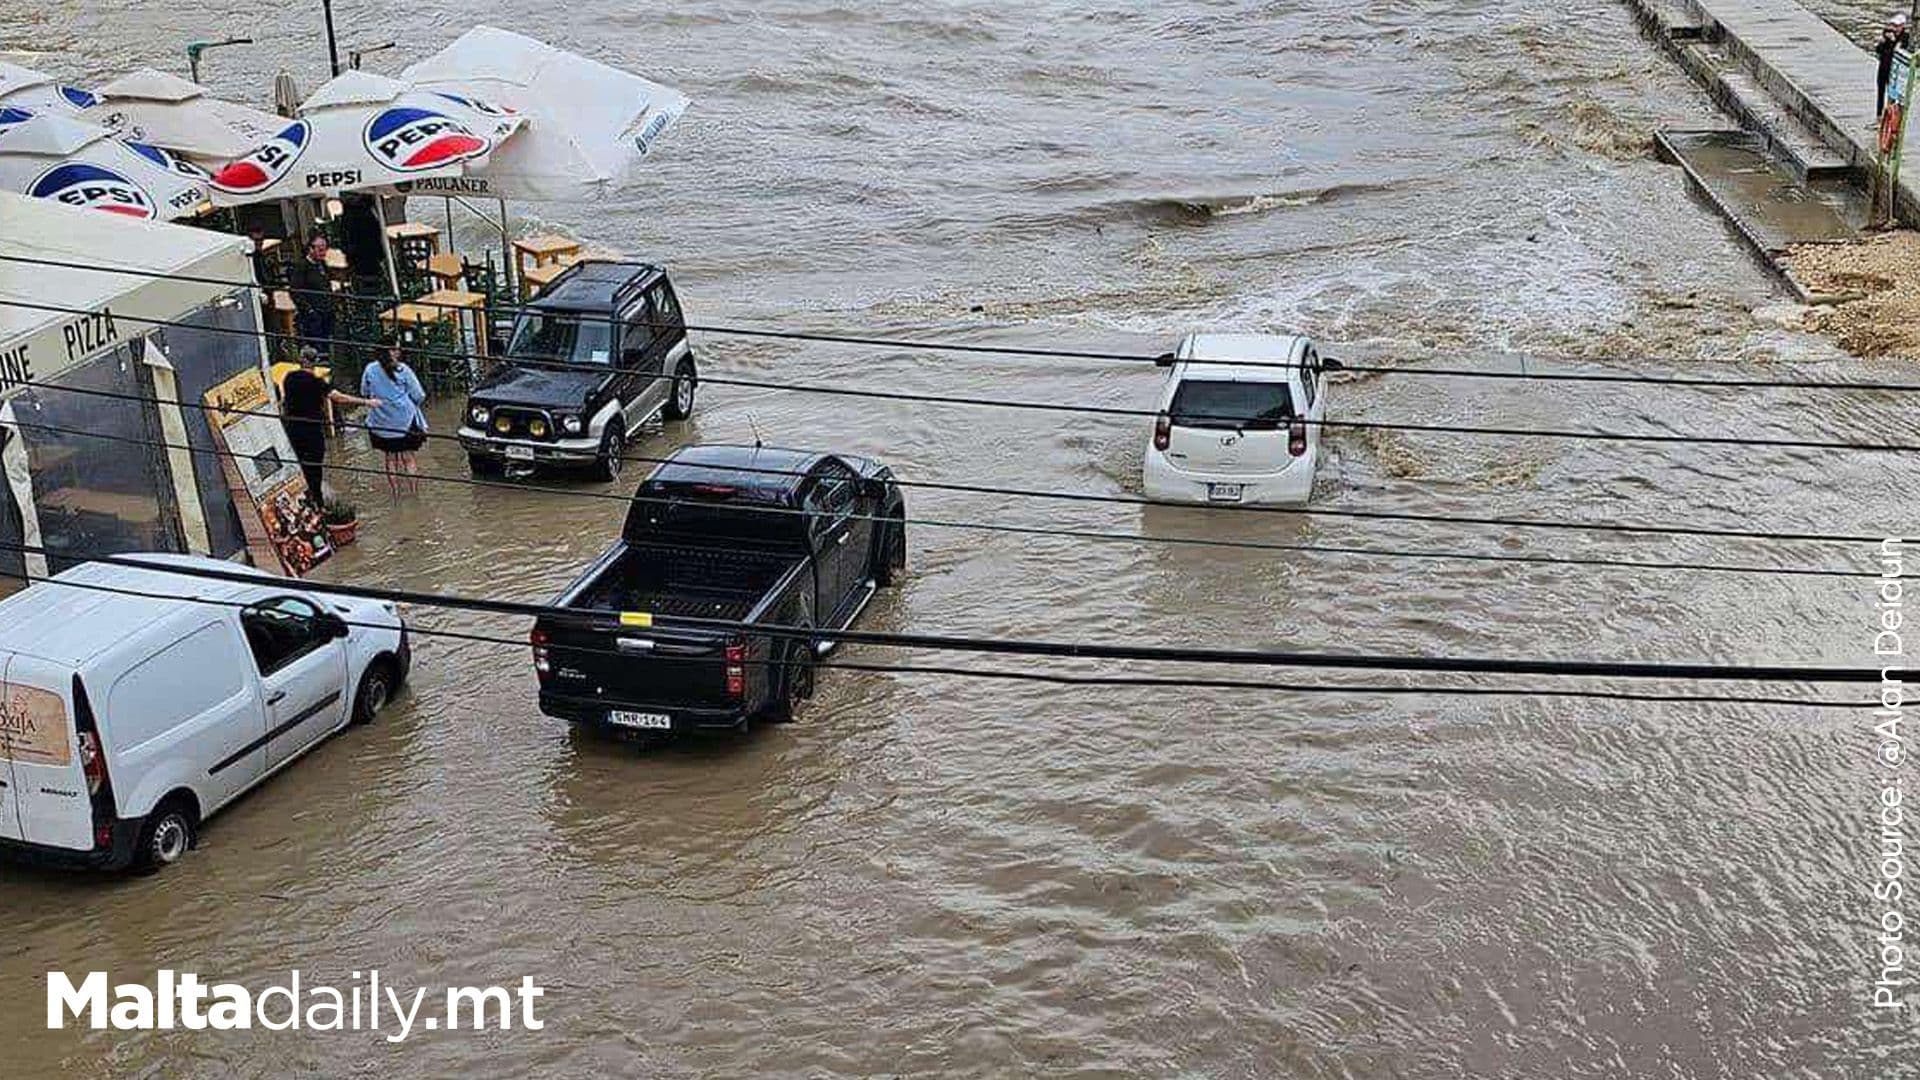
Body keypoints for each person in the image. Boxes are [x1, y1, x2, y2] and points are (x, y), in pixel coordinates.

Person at [281, 346, 381, 506]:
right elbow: (339, 398)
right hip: (312, 431)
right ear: (316, 362)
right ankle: (318, 503)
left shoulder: (289, 378)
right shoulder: (317, 382)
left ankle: (305, 500)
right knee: (315, 468)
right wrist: (366, 402)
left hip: (292, 430)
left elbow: (285, 401)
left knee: (301, 465)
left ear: (301, 360)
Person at [360, 341, 428, 497]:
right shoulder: (403, 370)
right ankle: (414, 494)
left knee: (390, 458)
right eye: (396, 348)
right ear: (392, 351)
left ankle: (396, 494)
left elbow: (364, 391)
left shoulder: (370, 369)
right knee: (408, 459)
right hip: (405, 421)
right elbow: (419, 395)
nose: (399, 350)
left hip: (381, 422)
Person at [289, 235, 336, 358]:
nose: (323, 253)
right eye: (320, 250)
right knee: (317, 345)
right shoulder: (302, 267)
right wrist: (309, 309)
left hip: (326, 309)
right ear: (311, 249)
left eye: (325, 249)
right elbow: (295, 291)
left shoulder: (322, 264)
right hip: (313, 314)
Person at [1879, 14, 1912, 116]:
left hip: (1894, 70)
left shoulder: (1905, 37)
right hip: (1883, 66)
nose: (1895, 28)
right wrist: (1882, 42)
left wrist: (1893, 41)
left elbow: (1897, 53)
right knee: (1881, 91)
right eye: (1893, 25)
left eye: (1897, 26)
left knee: (1892, 94)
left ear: (1903, 26)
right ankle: (1879, 116)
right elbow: (1879, 51)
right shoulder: (1887, 33)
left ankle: (1889, 117)